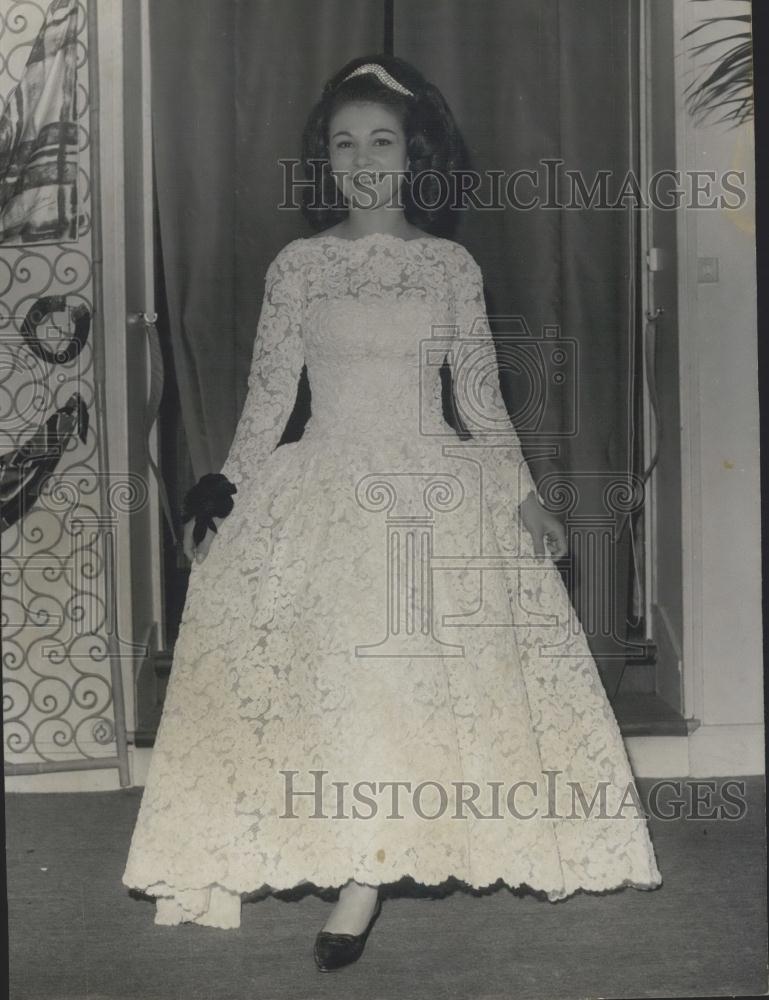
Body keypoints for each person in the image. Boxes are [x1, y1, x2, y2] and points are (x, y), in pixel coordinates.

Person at [122, 54, 662, 972]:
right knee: (340, 681)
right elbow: (265, 401)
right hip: (325, 483)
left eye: (382, 141)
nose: (364, 158)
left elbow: (481, 397)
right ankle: (354, 857)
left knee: (416, 678)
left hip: (429, 494)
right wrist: (221, 493)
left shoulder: (450, 265)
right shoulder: (298, 267)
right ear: (323, 161)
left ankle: (368, 875)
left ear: (414, 155)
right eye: (344, 143)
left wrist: (523, 495)